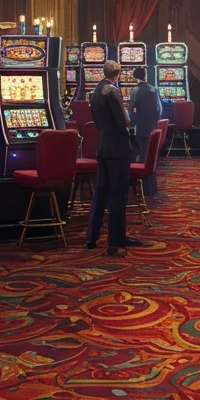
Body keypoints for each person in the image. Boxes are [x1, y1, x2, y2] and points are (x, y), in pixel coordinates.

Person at [86, 60, 141, 256]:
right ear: (117, 74)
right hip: (117, 148)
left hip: (102, 146)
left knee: (101, 192)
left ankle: (91, 237)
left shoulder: (95, 91)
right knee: (118, 194)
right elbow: (122, 121)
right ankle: (116, 239)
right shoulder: (112, 91)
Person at [129, 66, 162, 196]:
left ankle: (139, 189)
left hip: (140, 128)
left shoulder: (135, 90)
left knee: (139, 156)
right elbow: (159, 110)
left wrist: (131, 124)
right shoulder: (154, 89)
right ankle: (151, 189)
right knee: (149, 158)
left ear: (134, 77)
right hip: (152, 127)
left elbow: (132, 110)